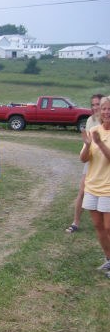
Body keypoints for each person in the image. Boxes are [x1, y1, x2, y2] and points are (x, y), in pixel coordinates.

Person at [80, 96, 110, 274]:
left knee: (108, 227)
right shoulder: (94, 130)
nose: (107, 112)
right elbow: (83, 159)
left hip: (108, 188)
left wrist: (99, 143)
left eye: (109, 109)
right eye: (104, 109)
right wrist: (87, 145)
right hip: (92, 186)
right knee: (98, 226)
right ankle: (108, 259)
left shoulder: (99, 136)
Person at [66, 93, 104, 233]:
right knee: (82, 191)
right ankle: (75, 222)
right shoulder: (90, 121)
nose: (95, 107)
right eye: (92, 105)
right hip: (92, 161)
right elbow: (88, 143)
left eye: (98, 104)